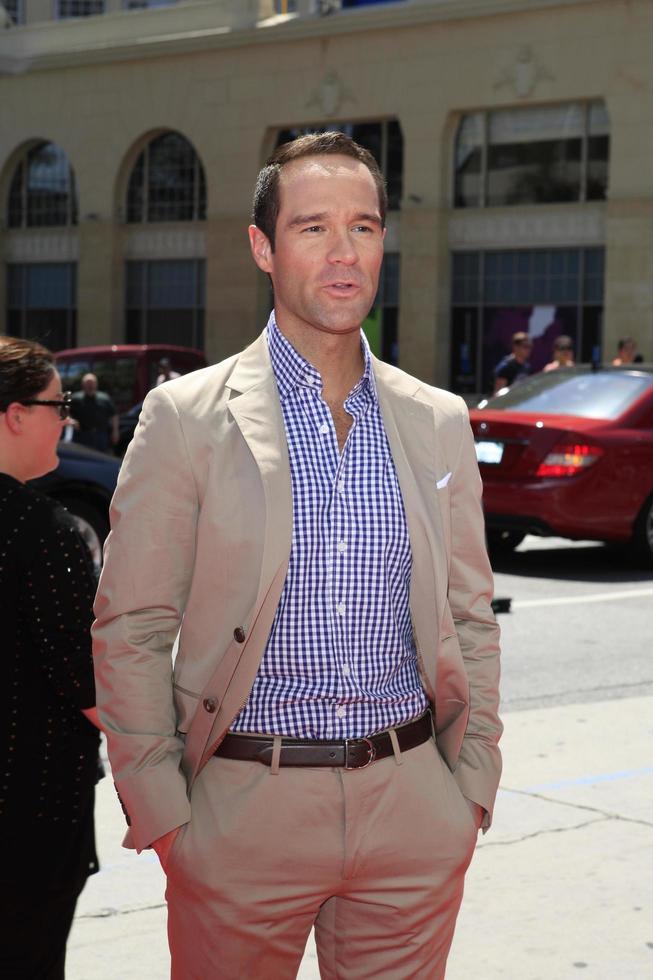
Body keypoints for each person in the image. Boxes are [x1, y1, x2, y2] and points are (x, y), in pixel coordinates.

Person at [93, 132, 502, 979]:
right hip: (243, 812)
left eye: (365, 226)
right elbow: (132, 626)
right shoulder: (185, 418)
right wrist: (167, 815)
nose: (345, 253)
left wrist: (470, 784)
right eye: (313, 228)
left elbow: (471, 614)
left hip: (412, 806)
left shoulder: (436, 419)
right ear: (263, 247)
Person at [0, 336, 102, 979]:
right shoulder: (47, 533)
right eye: (55, 404)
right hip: (26, 818)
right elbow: (92, 686)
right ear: (14, 414)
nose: (65, 419)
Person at [69, 372, 119, 452]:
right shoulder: (76, 398)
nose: (90, 386)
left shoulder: (104, 398)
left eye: (92, 383)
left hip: (101, 435)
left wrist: (115, 431)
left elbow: (114, 415)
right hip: (83, 435)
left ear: (96, 384)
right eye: (88, 383)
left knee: (101, 457)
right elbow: (67, 413)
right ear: (83, 385)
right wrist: (72, 422)